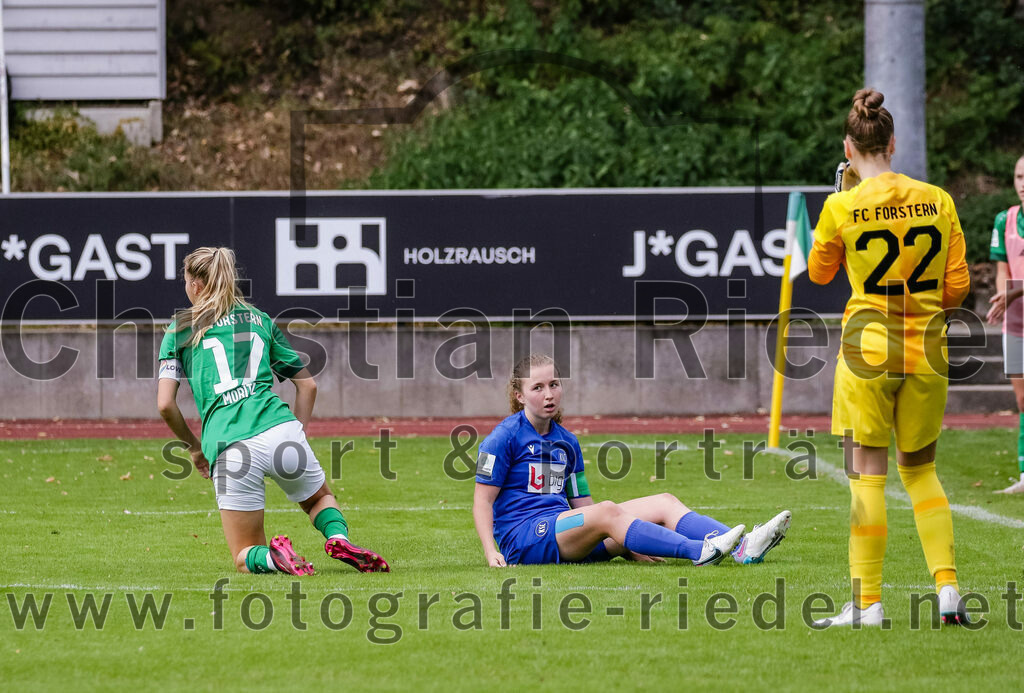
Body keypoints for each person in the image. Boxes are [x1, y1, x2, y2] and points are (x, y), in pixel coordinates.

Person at [808, 89, 970, 627]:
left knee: (866, 479)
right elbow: (957, 289)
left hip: (867, 352)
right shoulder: (938, 199)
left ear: (848, 148)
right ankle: (947, 590)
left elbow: (819, 273)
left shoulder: (843, 205)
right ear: (893, 143)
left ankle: (868, 603)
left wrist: (842, 196)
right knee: (921, 472)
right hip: (928, 350)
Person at [157, 247, 389, 575]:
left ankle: (274, 558)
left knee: (244, 553)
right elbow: (308, 385)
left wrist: (195, 448)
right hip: (281, 430)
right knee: (318, 499)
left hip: (229, 444)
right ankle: (338, 536)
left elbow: (165, 404)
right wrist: (297, 433)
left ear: (195, 285)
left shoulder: (181, 327)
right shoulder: (260, 320)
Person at [472, 353, 791, 567]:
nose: (549, 394)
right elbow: (482, 502)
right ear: (519, 395)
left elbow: (585, 506)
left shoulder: (567, 442)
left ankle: (743, 548)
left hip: (566, 534)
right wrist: (491, 551)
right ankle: (700, 552)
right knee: (609, 511)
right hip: (525, 540)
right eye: (537, 387)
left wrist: (627, 542)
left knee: (664, 502)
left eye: (554, 384)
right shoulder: (503, 437)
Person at [985, 154, 1024, 494]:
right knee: (1022, 401)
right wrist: (1002, 299)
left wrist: (1012, 295)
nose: (1023, 183)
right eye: (1019, 176)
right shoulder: (1005, 220)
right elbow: (1002, 271)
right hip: (1016, 322)